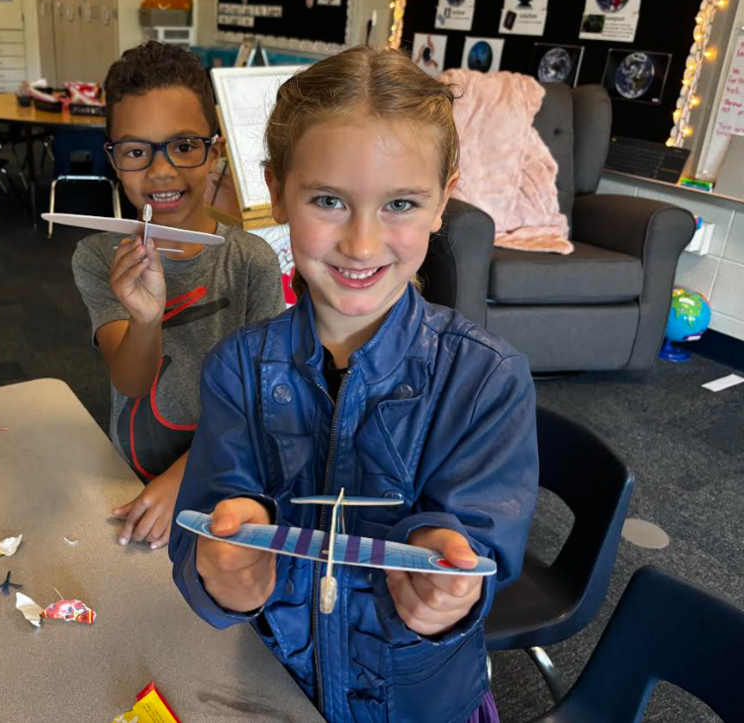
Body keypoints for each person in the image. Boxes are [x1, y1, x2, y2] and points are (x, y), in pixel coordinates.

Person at [169, 46, 538, 722]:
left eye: (400, 202)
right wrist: (221, 571)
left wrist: (448, 583)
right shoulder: (237, 369)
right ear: (276, 190)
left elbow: (483, 551)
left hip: (420, 704)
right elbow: (205, 525)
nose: (363, 245)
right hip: (273, 690)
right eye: (329, 200)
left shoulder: (486, 379)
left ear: (442, 201)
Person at [72, 41, 285, 550]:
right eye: (136, 151)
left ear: (214, 151)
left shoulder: (252, 260)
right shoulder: (99, 257)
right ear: (114, 159)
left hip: (229, 475)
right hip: (132, 477)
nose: (161, 171)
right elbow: (131, 379)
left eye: (184, 145)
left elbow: (261, 402)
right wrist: (145, 318)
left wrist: (187, 476)